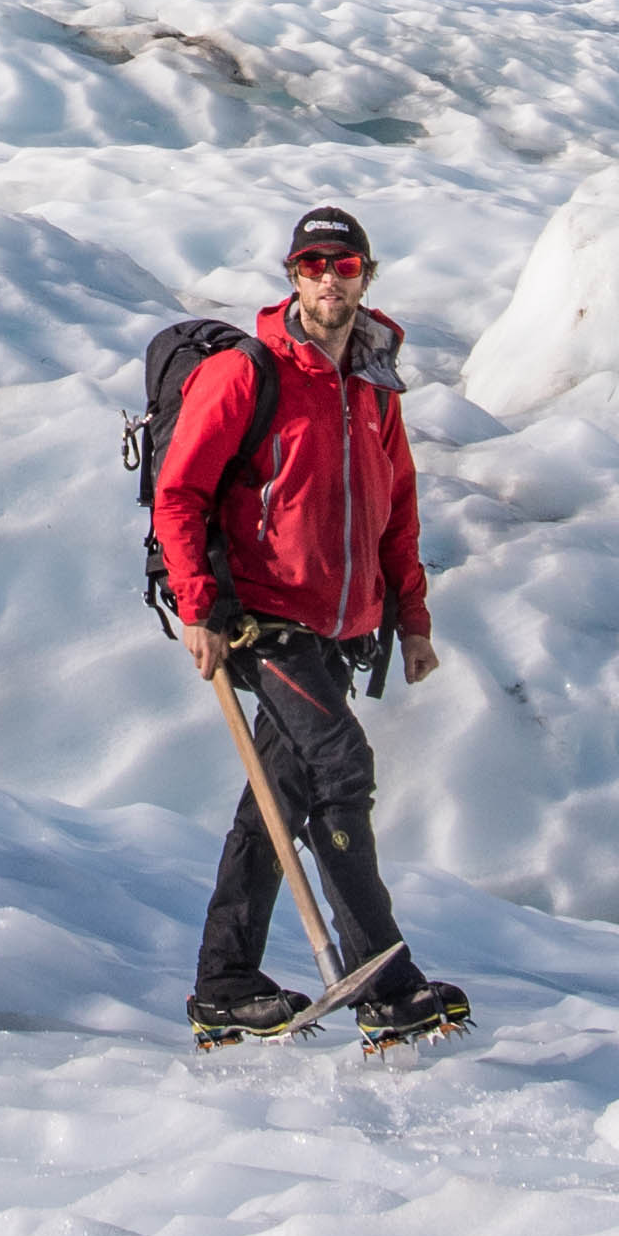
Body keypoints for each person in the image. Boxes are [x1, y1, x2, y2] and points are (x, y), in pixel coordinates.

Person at [150, 201, 467, 1047]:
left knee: (278, 795)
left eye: (346, 265)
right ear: (293, 275)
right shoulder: (249, 373)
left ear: (366, 276)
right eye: (315, 264)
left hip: (342, 623)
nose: (330, 278)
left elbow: (397, 507)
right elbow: (180, 493)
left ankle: (224, 981)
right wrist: (197, 606)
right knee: (341, 767)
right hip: (262, 617)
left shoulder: (374, 380)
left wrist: (414, 619)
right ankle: (384, 979)